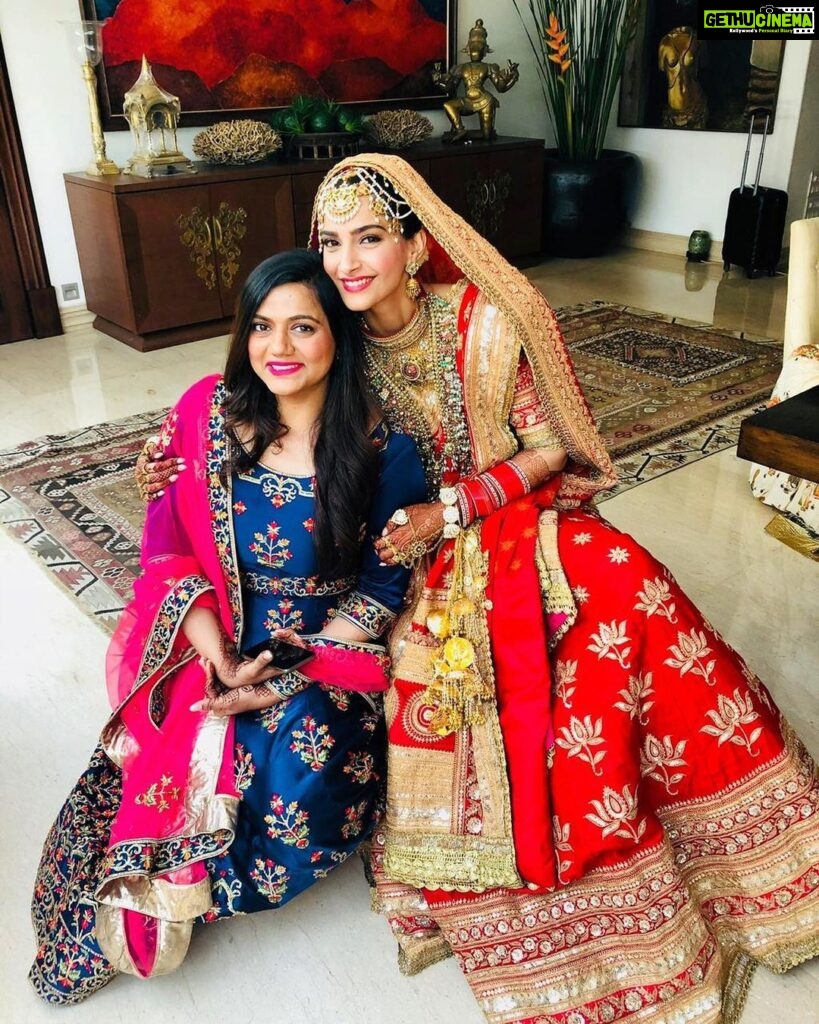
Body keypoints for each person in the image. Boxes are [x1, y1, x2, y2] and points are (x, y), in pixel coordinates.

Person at [139, 156, 819, 1024]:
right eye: (332, 242)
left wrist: (453, 507)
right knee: (454, 666)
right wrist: (171, 463)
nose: (347, 261)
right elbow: (247, 416)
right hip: (392, 551)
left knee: (622, 583)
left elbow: (548, 448)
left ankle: (739, 833)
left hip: (499, 514)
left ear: (419, 246)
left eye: (370, 239)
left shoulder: (486, 320)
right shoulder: (326, 335)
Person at [28, 249, 427, 1005]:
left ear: (337, 335)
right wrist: (215, 654)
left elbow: (382, 585)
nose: (278, 348)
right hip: (212, 636)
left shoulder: (384, 450)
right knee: (170, 756)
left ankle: (211, 887)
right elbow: (168, 547)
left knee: (298, 772)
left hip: (320, 652)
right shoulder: (206, 414)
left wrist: (283, 673)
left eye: (302, 327)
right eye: (261, 327)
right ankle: (166, 885)